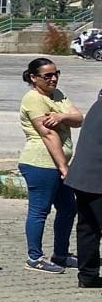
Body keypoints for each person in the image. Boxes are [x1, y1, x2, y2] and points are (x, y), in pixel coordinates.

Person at [17, 57, 82, 272]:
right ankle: (34, 258)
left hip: (58, 163)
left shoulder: (58, 95)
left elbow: (79, 119)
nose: (53, 79)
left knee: (68, 208)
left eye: (56, 74)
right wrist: (64, 167)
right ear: (34, 78)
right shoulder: (33, 99)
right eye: (47, 76)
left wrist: (61, 116)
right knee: (40, 210)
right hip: (40, 164)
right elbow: (48, 134)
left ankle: (61, 254)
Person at [61, 91, 102, 289]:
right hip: (97, 179)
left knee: (88, 227)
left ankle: (88, 276)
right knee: (89, 226)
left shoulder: (97, 106)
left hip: (82, 178)